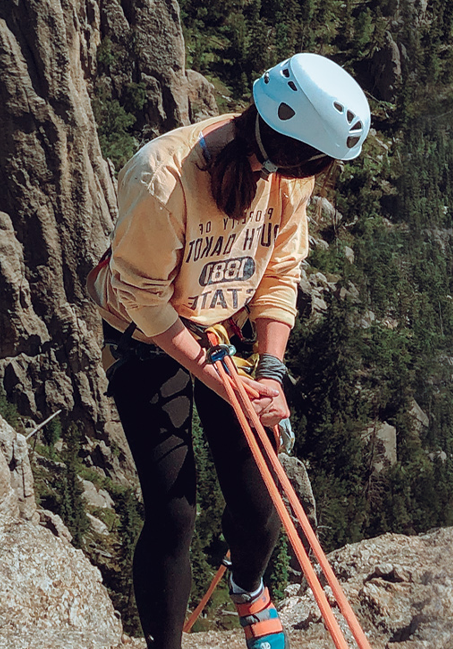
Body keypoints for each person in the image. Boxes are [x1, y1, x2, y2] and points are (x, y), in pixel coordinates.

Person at [91, 53, 371, 649]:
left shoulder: (289, 177)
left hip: (226, 330)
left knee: (262, 493)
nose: (315, 174)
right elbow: (140, 297)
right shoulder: (163, 177)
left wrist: (269, 371)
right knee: (173, 512)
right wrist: (219, 381)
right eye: (316, 163)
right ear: (294, 146)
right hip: (147, 337)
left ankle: (249, 589)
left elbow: (279, 274)